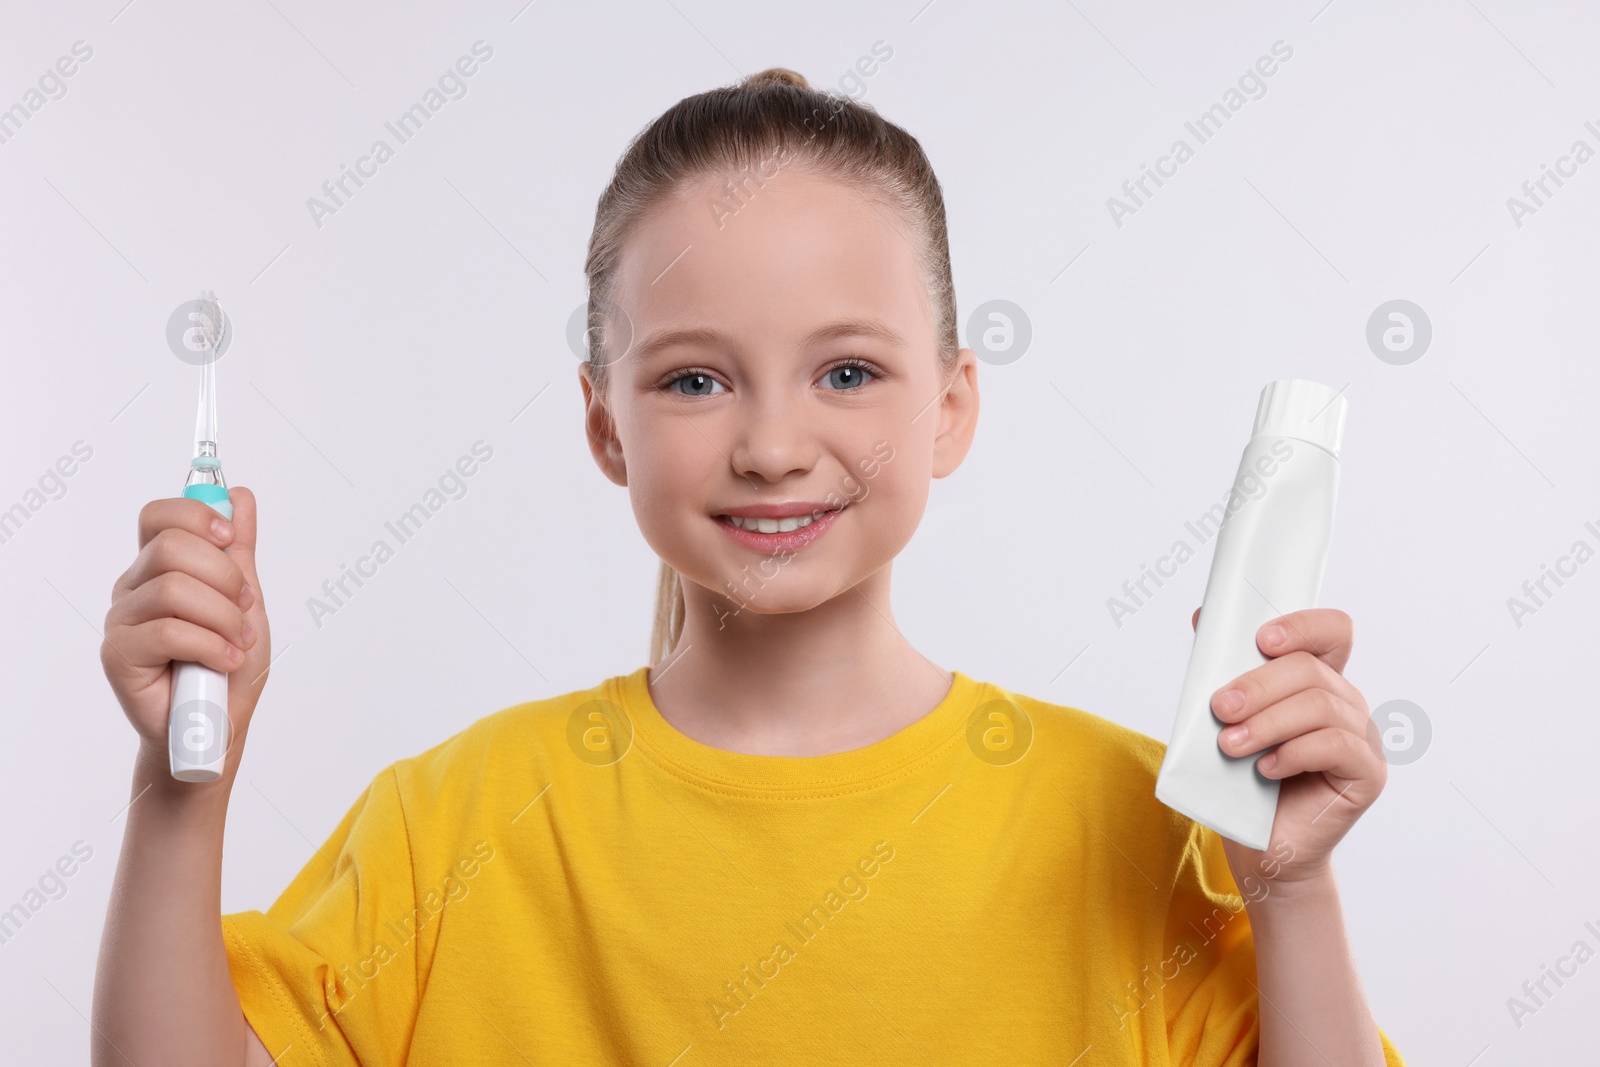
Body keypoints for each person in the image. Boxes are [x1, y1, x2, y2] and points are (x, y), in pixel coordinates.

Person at [91, 67, 1407, 1066]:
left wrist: (1290, 894)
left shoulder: (1130, 823)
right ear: (606, 424)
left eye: (847, 371)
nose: (774, 445)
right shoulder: (458, 824)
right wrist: (176, 787)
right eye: (696, 378)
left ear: (949, 407)